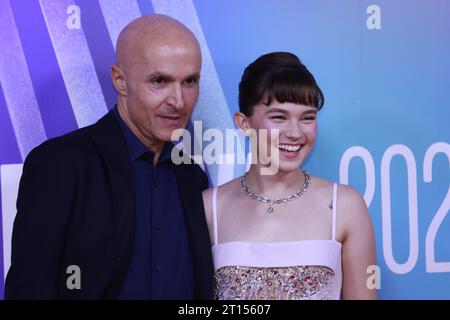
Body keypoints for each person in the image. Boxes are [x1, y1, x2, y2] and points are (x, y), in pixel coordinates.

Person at [5, 14, 214, 299]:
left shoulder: (192, 177)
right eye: (159, 81)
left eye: (189, 81)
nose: (178, 101)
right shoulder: (62, 164)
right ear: (120, 80)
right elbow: (30, 288)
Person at [202, 52, 376, 300]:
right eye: (278, 117)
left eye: (307, 118)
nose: (295, 133)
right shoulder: (209, 208)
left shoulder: (344, 205)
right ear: (243, 123)